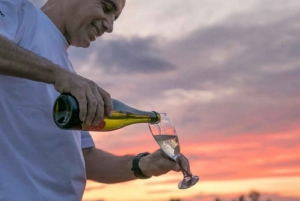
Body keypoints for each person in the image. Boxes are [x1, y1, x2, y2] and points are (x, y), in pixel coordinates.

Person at [0, 0, 190, 200]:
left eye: (114, 18)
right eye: (107, 8)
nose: (109, 26)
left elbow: (85, 158)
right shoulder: (18, 11)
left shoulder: (67, 70)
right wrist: (60, 76)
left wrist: (144, 165)